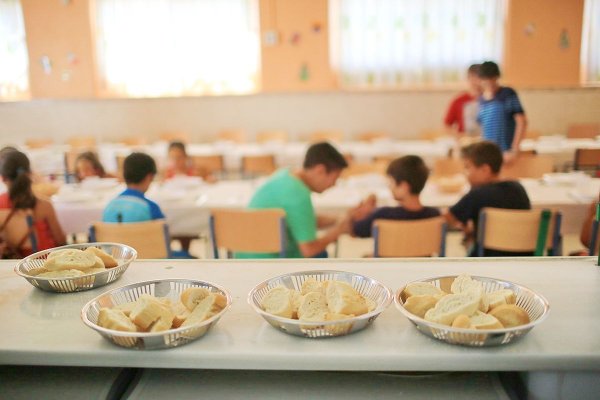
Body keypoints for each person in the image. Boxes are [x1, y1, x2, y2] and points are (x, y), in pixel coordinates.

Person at [235, 142, 355, 258]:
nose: (334, 184)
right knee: (320, 254)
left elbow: (302, 219)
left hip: (244, 255)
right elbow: (309, 250)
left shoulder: (285, 174)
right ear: (320, 170)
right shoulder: (299, 195)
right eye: (335, 178)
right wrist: (338, 231)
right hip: (271, 261)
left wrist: (338, 219)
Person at [445, 141, 531, 257]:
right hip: (523, 259)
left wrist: (466, 229)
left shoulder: (477, 195)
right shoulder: (519, 188)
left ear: (485, 170)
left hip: (486, 261)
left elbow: (449, 217)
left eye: (468, 167)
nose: (466, 173)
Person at [351, 156, 440, 238]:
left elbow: (356, 229)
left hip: (390, 256)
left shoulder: (383, 215)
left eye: (391, 182)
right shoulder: (435, 215)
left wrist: (364, 212)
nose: (389, 187)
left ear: (404, 187)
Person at [0, 151, 66, 256]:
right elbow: (61, 241)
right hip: (45, 262)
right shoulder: (44, 205)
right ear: (30, 173)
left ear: (3, 178)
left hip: (12, 264)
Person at [477, 61, 527, 165]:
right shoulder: (481, 100)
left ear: (497, 78)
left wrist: (514, 149)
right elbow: (482, 128)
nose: (489, 83)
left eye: (492, 79)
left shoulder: (508, 94)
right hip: (488, 154)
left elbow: (521, 122)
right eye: (485, 80)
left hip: (506, 151)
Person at [102, 152, 165, 223]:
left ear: (124, 175)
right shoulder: (151, 208)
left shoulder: (109, 207)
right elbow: (162, 232)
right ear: (149, 177)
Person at [444, 64, 482, 137]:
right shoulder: (458, 101)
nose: (477, 82)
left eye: (480, 78)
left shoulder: (490, 100)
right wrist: (459, 136)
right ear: (468, 78)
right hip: (466, 141)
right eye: (473, 78)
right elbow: (447, 125)